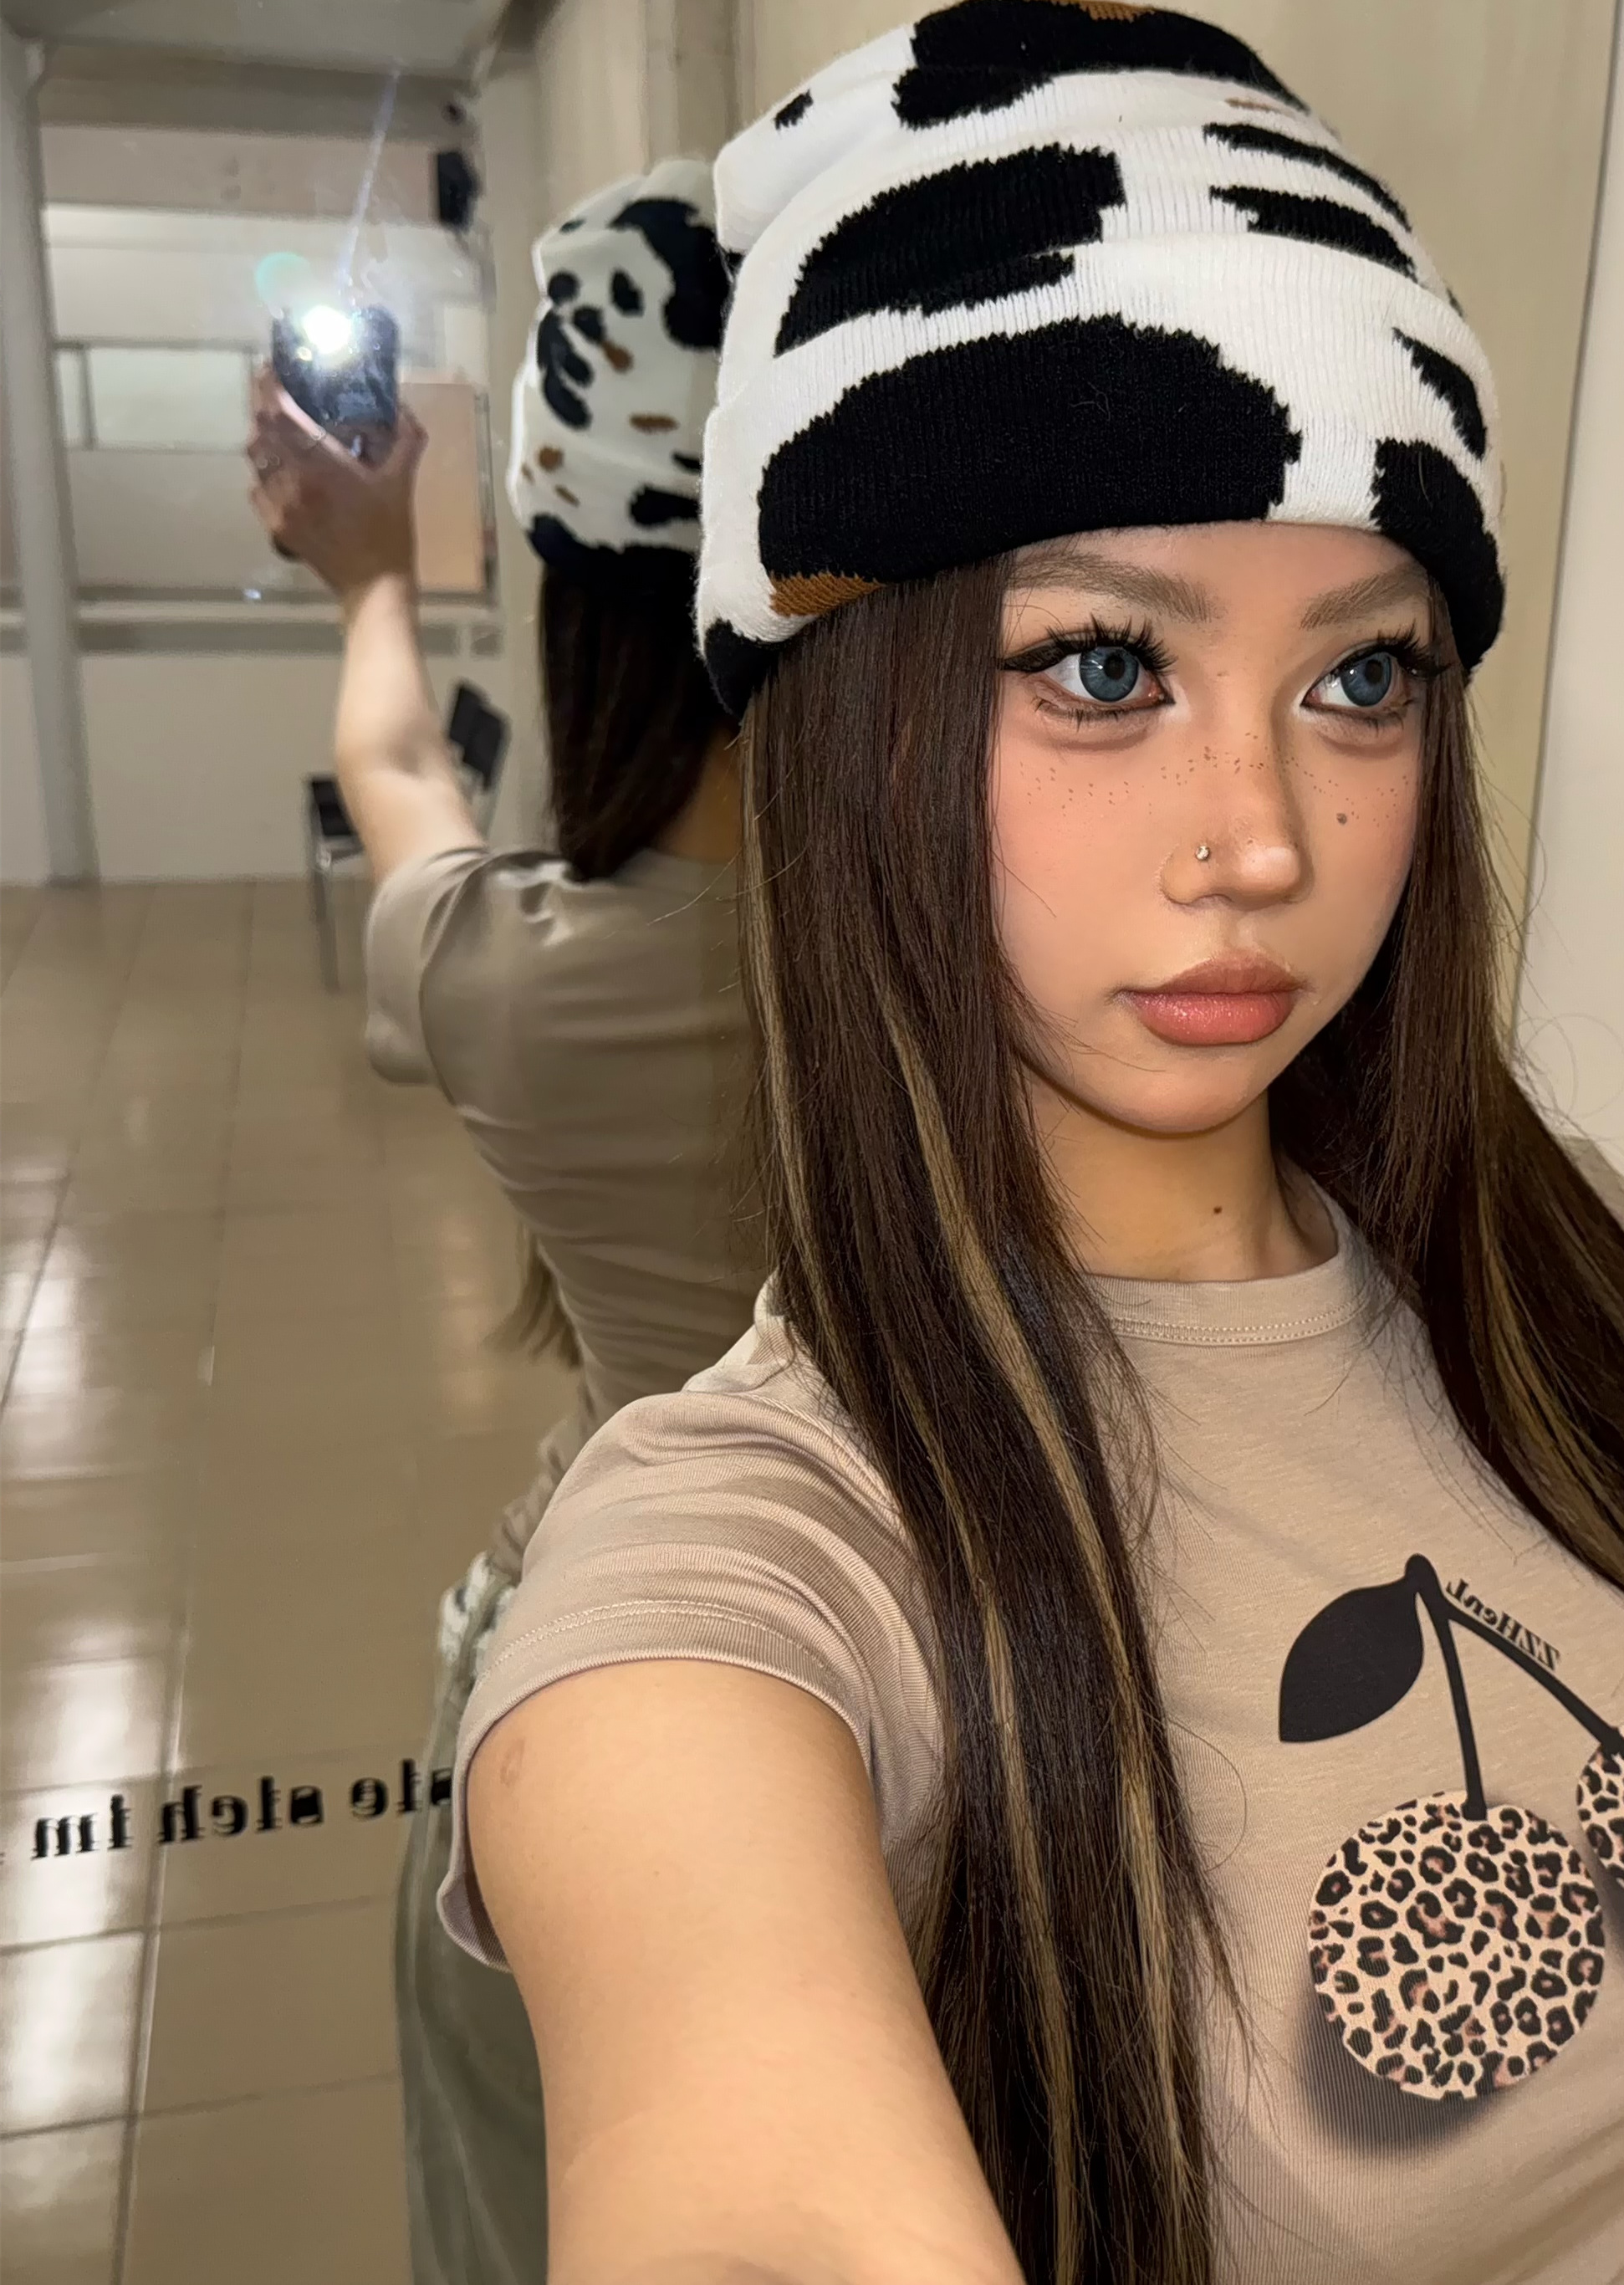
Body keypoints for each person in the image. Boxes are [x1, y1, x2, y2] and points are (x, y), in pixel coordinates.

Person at [432, 13, 1624, 2284]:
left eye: (1358, 678)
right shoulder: (757, 1552)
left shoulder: (1546, 1279)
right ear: (851, 711)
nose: (1262, 838)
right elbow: (734, 2141)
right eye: (1102, 666)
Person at [246, 156, 755, 2285]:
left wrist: (369, 568)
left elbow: (398, 777)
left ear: (589, 607)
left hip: (580, 1721)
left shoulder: (532, 986)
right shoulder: (1054, 991)